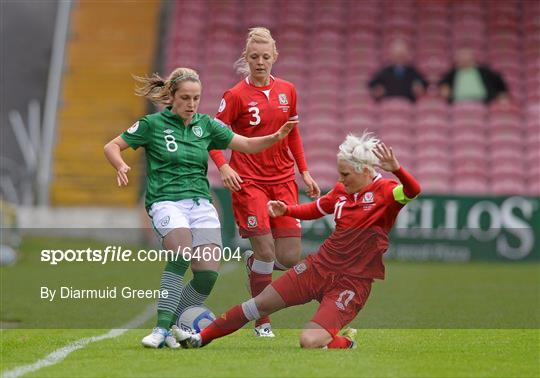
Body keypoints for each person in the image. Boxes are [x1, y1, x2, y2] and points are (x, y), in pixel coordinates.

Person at [103, 67, 297, 349]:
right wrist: (120, 164)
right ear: (172, 96)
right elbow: (112, 146)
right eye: (185, 98)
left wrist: (276, 136)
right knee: (181, 254)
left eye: (196, 98)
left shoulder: (206, 125)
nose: (191, 104)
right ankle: (160, 330)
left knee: (206, 275)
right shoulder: (151, 125)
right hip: (166, 201)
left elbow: (245, 144)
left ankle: (170, 329)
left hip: (201, 205)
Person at [173, 132, 421, 349]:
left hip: (352, 282)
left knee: (309, 341)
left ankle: (345, 342)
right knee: (258, 305)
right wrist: (287, 210)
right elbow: (317, 208)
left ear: (364, 171)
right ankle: (200, 338)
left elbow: (413, 190)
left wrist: (398, 169)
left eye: (345, 174)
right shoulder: (343, 190)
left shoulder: (387, 193)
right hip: (318, 267)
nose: (341, 179)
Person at [208, 27, 320, 337]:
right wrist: (223, 166)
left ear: (275, 57)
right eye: (254, 57)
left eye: (265, 57)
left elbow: (293, 132)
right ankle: (262, 321)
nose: (260, 62)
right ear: (246, 57)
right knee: (268, 254)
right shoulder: (234, 95)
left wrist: (305, 171)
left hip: (284, 181)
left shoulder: (288, 90)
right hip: (249, 181)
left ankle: (254, 263)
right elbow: (213, 137)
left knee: (288, 258)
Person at [438, 48, 509, 104]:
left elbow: (499, 80)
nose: (464, 60)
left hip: (482, 102)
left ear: (472, 58)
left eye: (466, 57)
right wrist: (444, 88)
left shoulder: (484, 71)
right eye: (461, 58)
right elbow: (443, 84)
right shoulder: (452, 73)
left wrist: (502, 93)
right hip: (458, 103)